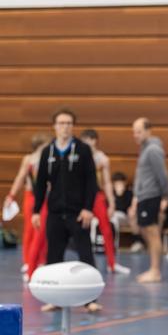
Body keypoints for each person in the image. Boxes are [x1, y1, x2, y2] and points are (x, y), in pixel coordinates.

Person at [32, 108, 101, 312]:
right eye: (61, 123)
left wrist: (88, 208)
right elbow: (40, 184)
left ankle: (91, 300)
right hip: (55, 213)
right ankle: (55, 300)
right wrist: (36, 210)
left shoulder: (82, 150)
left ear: (73, 126)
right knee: (54, 257)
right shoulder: (48, 152)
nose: (65, 127)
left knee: (85, 255)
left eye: (69, 123)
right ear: (55, 126)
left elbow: (91, 181)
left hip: (78, 214)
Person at [80, 129, 130, 275]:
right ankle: (85, 263)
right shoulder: (78, 156)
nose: (89, 143)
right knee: (80, 230)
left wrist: (112, 202)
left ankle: (112, 263)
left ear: (95, 141)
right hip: (80, 197)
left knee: (106, 229)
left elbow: (107, 182)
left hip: (96, 196)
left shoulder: (102, 159)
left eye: (91, 140)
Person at [2, 133, 50, 278]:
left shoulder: (49, 159)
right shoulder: (29, 159)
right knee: (30, 229)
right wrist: (11, 196)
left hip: (46, 198)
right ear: (41, 145)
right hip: (31, 196)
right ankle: (28, 261)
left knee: (42, 230)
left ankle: (41, 260)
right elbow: (20, 177)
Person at [129, 118, 168, 284]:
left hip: (151, 196)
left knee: (153, 234)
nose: (135, 135)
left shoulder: (153, 150)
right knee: (146, 231)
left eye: (138, 131)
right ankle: (154, 268)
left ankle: (155, 270)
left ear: (148, 130)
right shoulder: (144, 149)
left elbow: (163, 175)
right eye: (134, 132)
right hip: (144, 196)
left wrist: (166, 196)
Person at [111, 171, 143, 252]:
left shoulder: (129, 193)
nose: (118, 185)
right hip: (113, 218)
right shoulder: (110, 193)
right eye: (116, 183)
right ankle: (110, 242)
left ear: (125, 183)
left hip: (127, 218)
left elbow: (124, 208)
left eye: (120, 183)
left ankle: (137, 241)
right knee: (113, 217)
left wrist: (120, 195)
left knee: (131, 215)